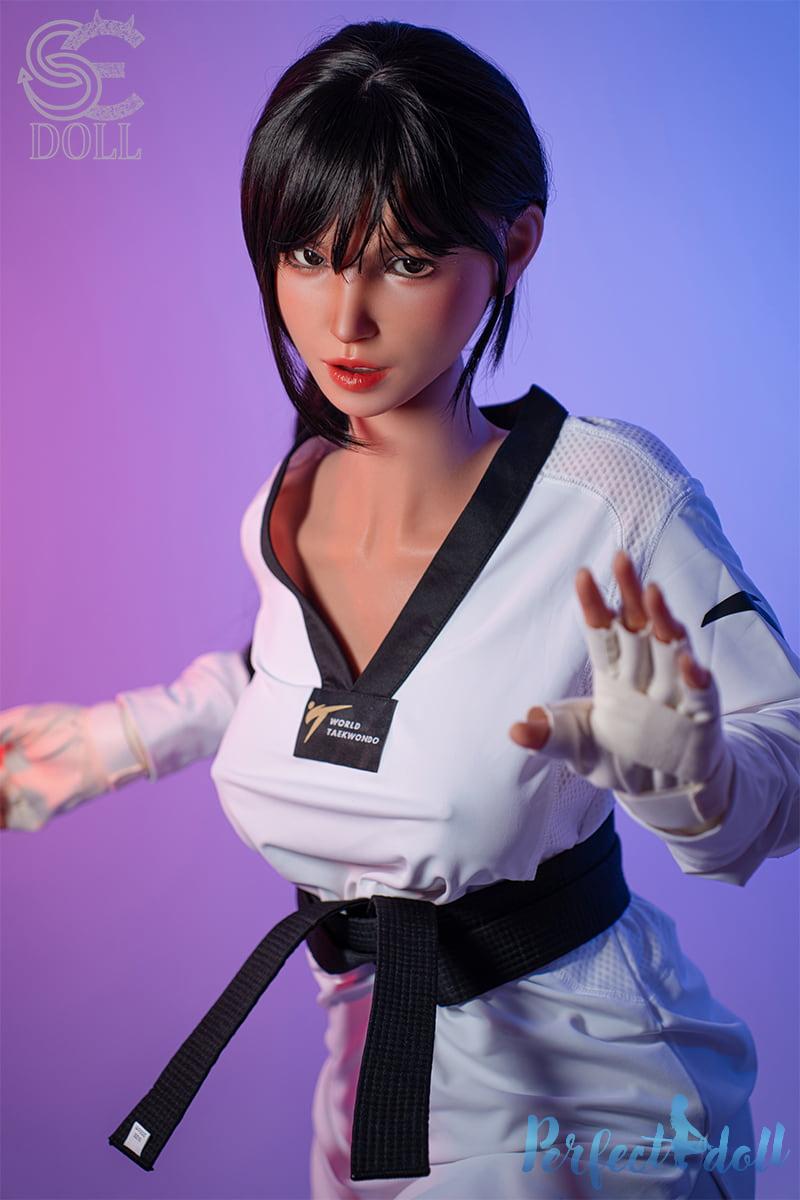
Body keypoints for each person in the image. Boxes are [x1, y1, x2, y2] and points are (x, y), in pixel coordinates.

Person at [2, 18, 798, 1200]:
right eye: (306, 255)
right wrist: (113, 739)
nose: (344, 320)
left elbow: (781, 747)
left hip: (582, 1095)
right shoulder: (289, 496)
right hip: (368, 1074)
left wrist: (698, 778)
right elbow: (292, 679)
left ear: (513, 246)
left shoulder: (610, 497)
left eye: (407, 262)